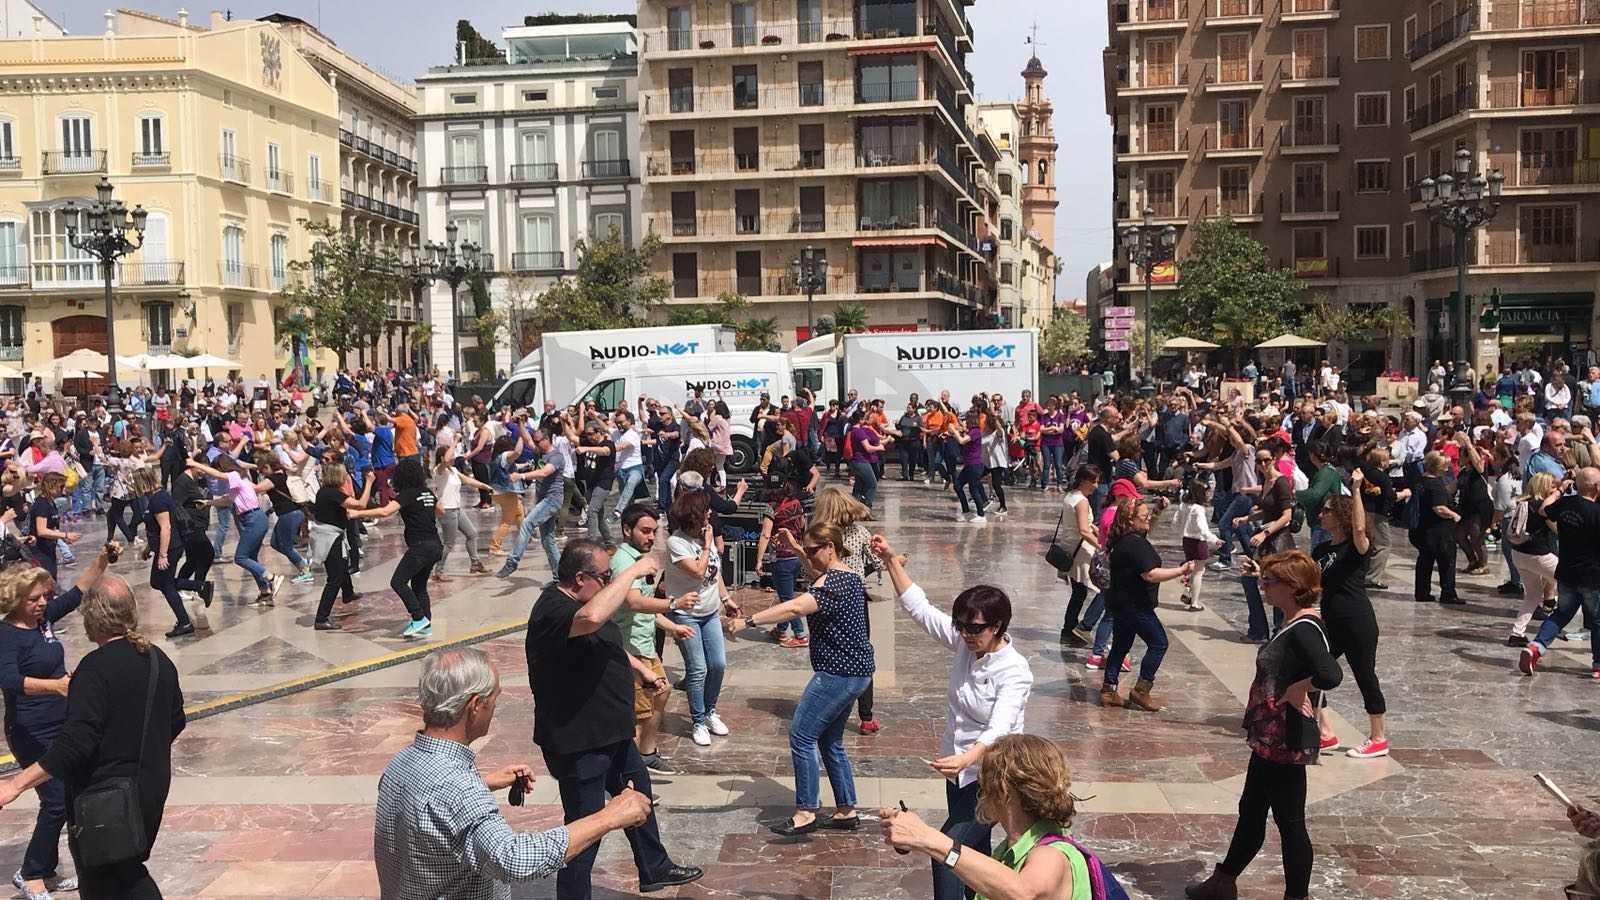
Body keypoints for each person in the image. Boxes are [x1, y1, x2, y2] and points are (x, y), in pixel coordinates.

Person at [373, 647, 653, 900]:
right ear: (475, 706)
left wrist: (485, 782)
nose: (495, 708)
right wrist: (611, 816)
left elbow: (431, 809)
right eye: (494, 699)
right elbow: (514, 859)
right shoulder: (457, 789)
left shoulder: (402, 762)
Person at [525, 539, 703, 900]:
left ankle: (654, 867)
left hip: (613, 734)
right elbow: (590, 620)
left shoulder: (587, 603)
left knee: (639, 799)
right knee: (586, 829)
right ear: (579, 578)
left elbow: (607, 643)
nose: (609, 583)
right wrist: (634, 572)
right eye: (604, 577)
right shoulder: (554, 609)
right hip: (580, 743)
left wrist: (640, 670)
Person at [0, 576, 186, 900]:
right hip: (151, 786)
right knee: (125, 872)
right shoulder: (158, 660)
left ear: (93, 616)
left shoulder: (93, 669)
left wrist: (15, 784)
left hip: (105, 799)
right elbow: (175, 721)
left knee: (109, 878)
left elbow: (74, 744)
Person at [871, 536, 1033, 900]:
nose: (966, 634)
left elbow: (1000, 727)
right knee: (974, 851)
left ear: (998, 626)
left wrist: (967, 758)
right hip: (958, 771)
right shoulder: (964, 642)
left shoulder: (1015, 669)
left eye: (975, 628)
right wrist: (890, 561)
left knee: (947, 851)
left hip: (992, 775)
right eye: (961, 625)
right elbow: (921, 609)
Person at [1185, 551, 1342, 900]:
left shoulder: (1304, 629)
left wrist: (1300, 687)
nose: (1263, 587)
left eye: (1269, 582)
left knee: (1290, 823)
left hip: (1284, 738)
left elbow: (1331, 674)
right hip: (1270, 737)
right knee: (1252, 811)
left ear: (1292, 587)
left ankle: (1295, 895)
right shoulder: (1294, 619)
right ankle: (1224, 881)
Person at [734, 521, 874, 835]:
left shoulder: (834, 584)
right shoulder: (847, 575)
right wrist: (799, 551)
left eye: (813, 550)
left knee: (802, 736)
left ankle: (806, 811)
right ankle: (846, 810)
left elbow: (797, 606)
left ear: (831, 548)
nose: (809, 557)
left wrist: (749, 620)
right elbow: (817, 578)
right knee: (830, 741)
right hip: (856, 672)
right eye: (807, 550)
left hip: (837, 674)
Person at [0, 545, 116, 900]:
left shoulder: (44, 620)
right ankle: (31, 873)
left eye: (44, 597)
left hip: (60, 722)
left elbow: (79, 591)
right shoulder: (7, 634)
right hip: (30, 728)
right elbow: (9, 681)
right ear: (18, 598)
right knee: (53, 800)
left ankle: (46, 868)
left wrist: (102, 559)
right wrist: (57, 686)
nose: (41, 603)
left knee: (64, 798)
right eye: (35, 598)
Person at [878, 735, 1098, 900]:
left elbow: (1023, 892)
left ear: (1001, 790)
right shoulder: (1009, 851)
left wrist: (929, 838)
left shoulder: (1051, 854)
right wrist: (915, 839)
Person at [609, 502, 697, 776]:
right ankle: (629, 776)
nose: (651, 537)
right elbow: (634, 602)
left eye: (654, 532)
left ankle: (646, 754)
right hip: (629, 648)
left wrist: (671, 627)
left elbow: (645, 607)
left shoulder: (640, 559)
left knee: (661, 692)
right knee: (637, 713)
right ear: (627, 529)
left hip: (644, 644)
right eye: (645, 531)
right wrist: (674, 603)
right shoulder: (624, 562)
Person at [1311, 476, 1389, 759]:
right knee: (1310, 670)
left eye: (1327, 510)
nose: (1321, 515)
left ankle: (1378, 738)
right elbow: (1306, 578)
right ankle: (1326, 733)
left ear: (1341, 515)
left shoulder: (1356, 548)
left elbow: (1359, 527)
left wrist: (1356, 490)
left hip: (1357, 621)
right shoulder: (1322, 550)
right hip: (1331, 621)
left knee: (1365, 676)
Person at [1100, 499, 1194, 710]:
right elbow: (1150, 574)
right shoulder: (1134, 543)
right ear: (1131, 521)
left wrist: (1157, 511)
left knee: (1120, 645)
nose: (1148, 518)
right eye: (1144, 516)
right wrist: (1181, 570)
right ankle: (1141, 690)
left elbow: (1149, 527)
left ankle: (1108, 690)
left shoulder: (1121, 538)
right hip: (1135, 605)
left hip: (1119, 602)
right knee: (1159, 643)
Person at [662, 490, 736, 746]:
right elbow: (697, 571)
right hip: (686, 615)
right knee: (698, 669)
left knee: (718, 664)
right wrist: (706, 544)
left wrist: (726, 599)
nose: (711, 513)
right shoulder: (676, 543)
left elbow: (714, 572)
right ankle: (698, 721)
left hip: (710, 611)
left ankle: (710, 711)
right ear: (696, 515)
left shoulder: (707, 537)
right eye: (707, 510)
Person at [1518, 466, 1600, 679]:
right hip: (1592, 576)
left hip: (1567, 572)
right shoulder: (1597, 512)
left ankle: (1536, 647)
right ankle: (1598, 664)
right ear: (1597, 487)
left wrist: (1560, 489)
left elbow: (1544, 509)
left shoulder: (1565, 504)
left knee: (1561, 613)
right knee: (1598, 619)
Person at [186, 454, 282, 605]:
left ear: (222, 467)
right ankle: (265, 593)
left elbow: (219, 475)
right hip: (253, 519)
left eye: (217, 470)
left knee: (241, 558)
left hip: (253, 519)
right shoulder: (239, 483)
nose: (216, 478)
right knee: (251, 557)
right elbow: (227, 500)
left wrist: (195, 464)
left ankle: (271, 577)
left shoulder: (235, 475)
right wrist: (207, 502)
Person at [363, 457, 442, 639]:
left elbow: (385, 511)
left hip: (421, 547)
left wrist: (358, 514)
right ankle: (425, 626)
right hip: (435, 545)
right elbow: (441, 510)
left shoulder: (408, 494)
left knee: (398, 582)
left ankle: (419, 617)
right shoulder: (427, 493)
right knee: (419, 585)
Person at [133, 466, 212, 638]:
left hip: (170, 548)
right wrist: (149, 548)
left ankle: (184, 622)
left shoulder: (158, 500)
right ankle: (200, 586)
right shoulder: (154, 498)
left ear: (143, 482)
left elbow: (165, 527)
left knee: (165, 585)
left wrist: (162, 555)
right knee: (158, 582)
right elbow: (155, 529)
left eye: (135, 482)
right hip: (166, 547)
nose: (133, 486)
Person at [309, 463, 378, 631]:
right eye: (345, 475)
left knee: (342, 565)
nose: (347, 478)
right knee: (335, 578)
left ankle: (348, 593)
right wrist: (369, 482)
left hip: (332, 535)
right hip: (330, 538)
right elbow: (361, 504)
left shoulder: (327, 492)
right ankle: (321, 618)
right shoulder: (332, 493)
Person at [754, 471, 813, 647]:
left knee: (787, 599)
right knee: (786, 593)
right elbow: (803, 526)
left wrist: (758, 560)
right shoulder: (796, 503)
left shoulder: (771, 508)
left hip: (781, 558)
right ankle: (780, 630)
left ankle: (800, 634)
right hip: (797, 556)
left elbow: (765, 534)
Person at [1505, 471, 1560, 646]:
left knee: (1533, 595)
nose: (1556, 489)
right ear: (1544, 486)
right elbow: (1557, 529)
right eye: (1553, 486)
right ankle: (1556, 625)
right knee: (1575, 581)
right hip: (1538, 555)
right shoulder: (1540, 506)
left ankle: (1517, 634)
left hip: (1519, 554)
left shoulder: (1525, 503)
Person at [1409, 451, 1463, 606]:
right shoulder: (1435, 485)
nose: (1446, 469)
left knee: (1425, 561)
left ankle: (1422, 592)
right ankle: (1448, 593)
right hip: (1439, 531)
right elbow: (1439, 508)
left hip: (1422, 528)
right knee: (1446, 562)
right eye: (1444, 466)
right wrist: (1454, 515)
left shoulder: (1421, 480)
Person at [432, 445, 488, 577]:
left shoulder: (453, 470)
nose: (454, 457)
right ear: (442, 457)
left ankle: (475, 563)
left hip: (457, 508)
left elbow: (468, 480)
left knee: (472, 534)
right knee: (449, 543)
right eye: (452, 454)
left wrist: (485, 487)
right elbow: (445, 461)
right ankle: (438, 570)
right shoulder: (439, 471)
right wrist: (455, 441)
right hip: (447, 509)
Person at [1174, 480, 1222, 611]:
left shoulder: (1183, 505)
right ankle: (1194, 602)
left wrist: (1181, 531)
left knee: (1191, 568)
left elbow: (1175, 522)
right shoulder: (1198, 509)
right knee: (1199, 571)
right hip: (1198, 541)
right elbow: (1203, 529)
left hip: (1186, 540)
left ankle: (1187, 593)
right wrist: (1214, 539)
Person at [947, 410, 989, 524]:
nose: (965, 422)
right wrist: (956, 430)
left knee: (973, 489)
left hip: (975, 465)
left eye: (967, 419)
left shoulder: (975, 431)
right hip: (969, 465)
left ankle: (981, 515)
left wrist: (954, 431)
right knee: (958, 485)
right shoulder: (970, 431)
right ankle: (966, 510)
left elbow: (961, 441)